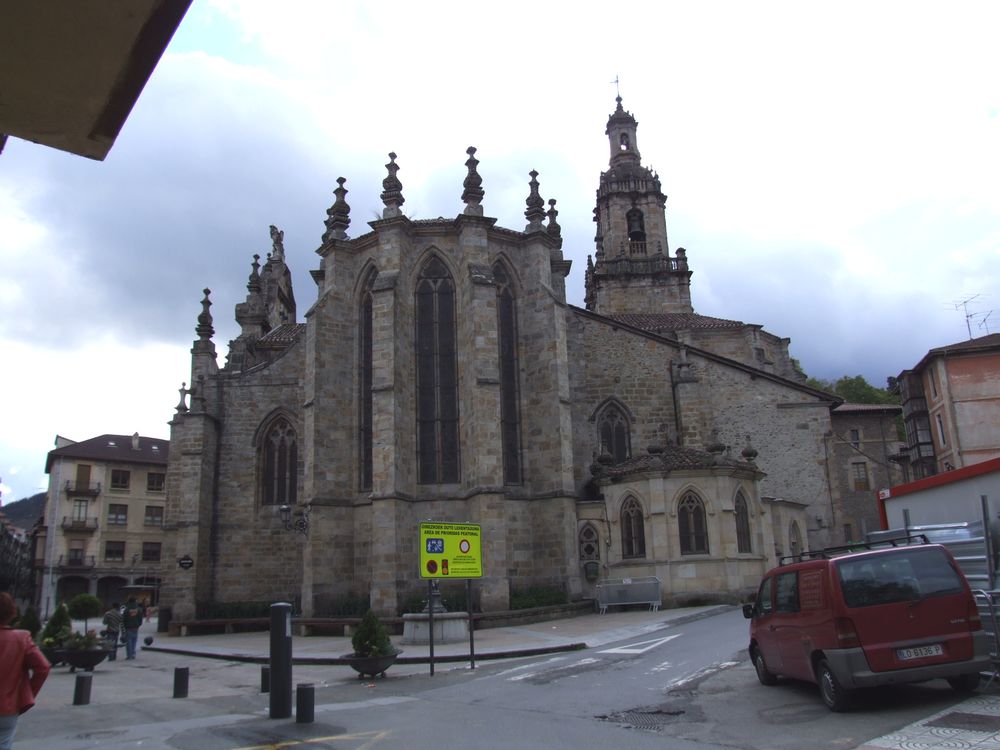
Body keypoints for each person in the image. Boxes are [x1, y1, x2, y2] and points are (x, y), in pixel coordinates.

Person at [0, 591, 50, 750]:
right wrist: (26, 695)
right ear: (12, 613)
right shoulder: (21, 638)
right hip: (7, 707)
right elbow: (43, 668)